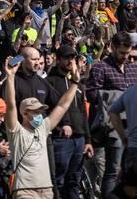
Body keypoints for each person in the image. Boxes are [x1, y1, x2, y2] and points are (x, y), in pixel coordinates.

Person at [3, 53, 81, 199]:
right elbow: (10, 106)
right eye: (35, 112)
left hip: (46, 190)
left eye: (41, 111)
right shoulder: (16, 131)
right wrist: (10, 76)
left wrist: (75, 83)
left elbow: (62, 106)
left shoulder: (43, 128)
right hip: (25, 190)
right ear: (25, 114)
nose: (40, 115)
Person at [87, 31, 137, 196]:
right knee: (113, 169)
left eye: (128, 53)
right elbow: (92, 93)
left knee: (129, 171)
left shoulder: (132, 69)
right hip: (112, 126)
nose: (125, 56)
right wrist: (120, 98)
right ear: (113, 48)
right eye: (122, 52)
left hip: (132, 125)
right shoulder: (101, 67)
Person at [45, 45, 93, 199]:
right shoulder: (49, 81)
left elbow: (83, 113)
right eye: (66, 57)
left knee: (74, 182)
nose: (70, 61)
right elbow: (47, 110)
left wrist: (88, 140)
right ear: (57, 59)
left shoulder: (76, 83)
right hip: (60, 139)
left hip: (79, 139)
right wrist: (60, 125)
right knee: (58, 181)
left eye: (72, 58)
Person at [109, 78, 137, 178]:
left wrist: (123, 136)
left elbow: (112, 111)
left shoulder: (130, 91)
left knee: (130, 188)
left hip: (132, 147)